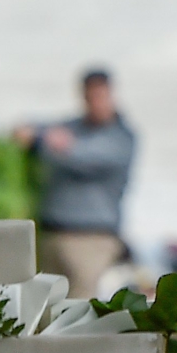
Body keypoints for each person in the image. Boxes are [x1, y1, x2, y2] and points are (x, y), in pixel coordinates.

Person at [18, 68, 137, 298]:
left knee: (79, 311)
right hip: (52, 234)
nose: (95, 103)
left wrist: (47, 141)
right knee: (43, 309)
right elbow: (38, 129)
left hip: (91, 240)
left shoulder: (121, 137)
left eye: (100, 96)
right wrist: (38, 135)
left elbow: (82, 156)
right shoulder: (74, 127)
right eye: (90, 97)